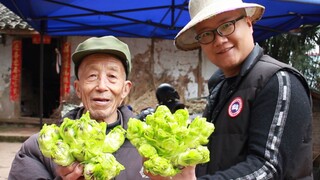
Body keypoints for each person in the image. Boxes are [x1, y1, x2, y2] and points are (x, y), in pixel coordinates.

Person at [145, 0, 313, 179]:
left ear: (248, 24)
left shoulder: (278, 80)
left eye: (226, 26)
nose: (219, 40)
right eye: (206, 34)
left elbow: (266, 168)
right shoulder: (220, 85)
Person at [9, 36, 148, 179]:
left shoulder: (148, 145)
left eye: (112, 76)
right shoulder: (39, 149)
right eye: (92, 76)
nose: (101, 86)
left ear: (125, 89)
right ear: (78, 88)